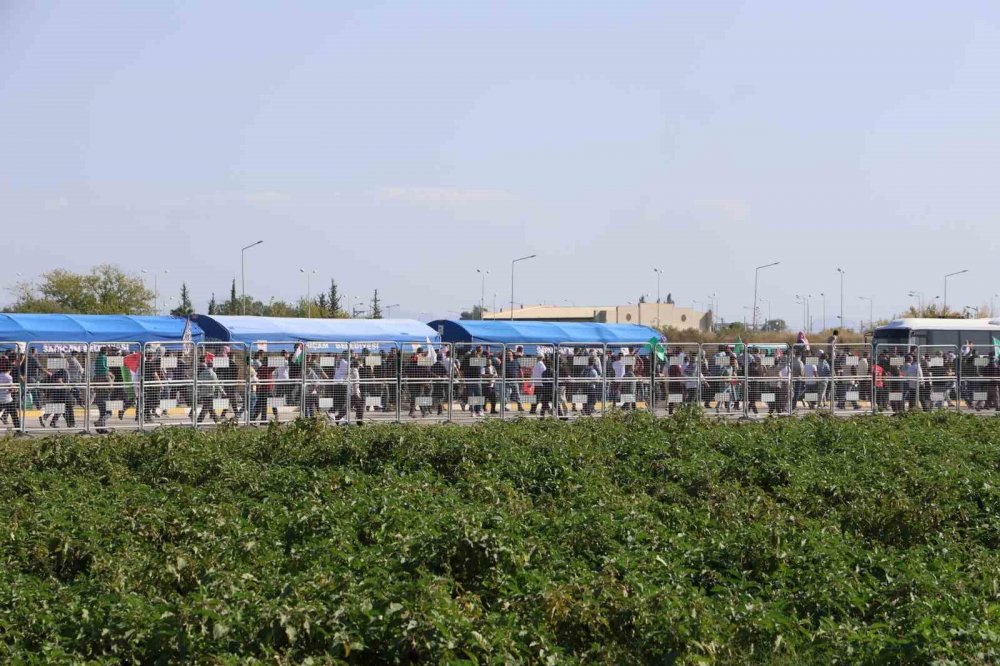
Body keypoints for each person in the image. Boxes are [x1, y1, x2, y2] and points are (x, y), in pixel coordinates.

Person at [0, 356, 21, 430]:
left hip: (0, 399)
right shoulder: (8, 377)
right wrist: (15, 388)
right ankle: (18, 431)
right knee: (14, 415)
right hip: (7, 399)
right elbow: (10, 389)